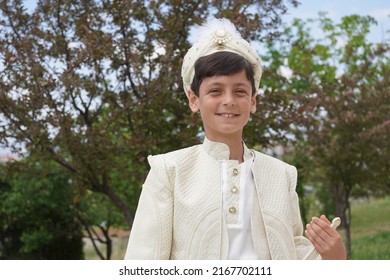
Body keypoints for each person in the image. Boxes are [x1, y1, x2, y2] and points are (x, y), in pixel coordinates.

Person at [124, 18, 346, 260]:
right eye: (215, 90)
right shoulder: (169, 171)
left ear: (252, 101)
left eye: (240, 91)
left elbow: (291, 254)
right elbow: (143, 260)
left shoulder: (281, 175)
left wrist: (333, 258)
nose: (229, 100)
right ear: (193, 99)